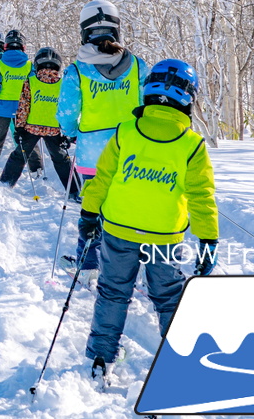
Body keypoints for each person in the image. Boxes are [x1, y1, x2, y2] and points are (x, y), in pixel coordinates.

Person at [77, 59, 218, 381]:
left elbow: (102, 179)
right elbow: (201, 197)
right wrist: (208, 241)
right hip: (164, 237)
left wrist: (88, 214)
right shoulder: (191, 145)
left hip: (118, 229)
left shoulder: (125, 132)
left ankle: (101, 355)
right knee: (168, 295)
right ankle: (184, 356)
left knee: (114, 292)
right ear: (188, 98)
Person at [58, 0, 148, 269]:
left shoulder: (77, 70)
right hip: (132, 150)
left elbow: (67, 111)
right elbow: (148, 104)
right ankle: (132, 262)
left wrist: (72, 132)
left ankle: (89, 267)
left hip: (92, 154)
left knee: (92, 211)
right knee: (129, 209)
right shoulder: (137, 65)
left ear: (84, 32)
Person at [0, 47, 79, 196]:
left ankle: (4, 185)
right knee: (62, 160)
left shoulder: (30, 82)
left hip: (31, 128)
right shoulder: (63, 84)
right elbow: (67, 108)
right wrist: (67, 132)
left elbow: (23, 106)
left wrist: (19, 128)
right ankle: (75, 190)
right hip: (54, 130)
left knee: (19, 156)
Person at [0, 29, 41, 173]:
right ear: (23, 47)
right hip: (24, 110)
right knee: (27, 139)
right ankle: (37, 168)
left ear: (6, 46)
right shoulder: (29, 66)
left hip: (2, 109)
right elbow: (35, 88)